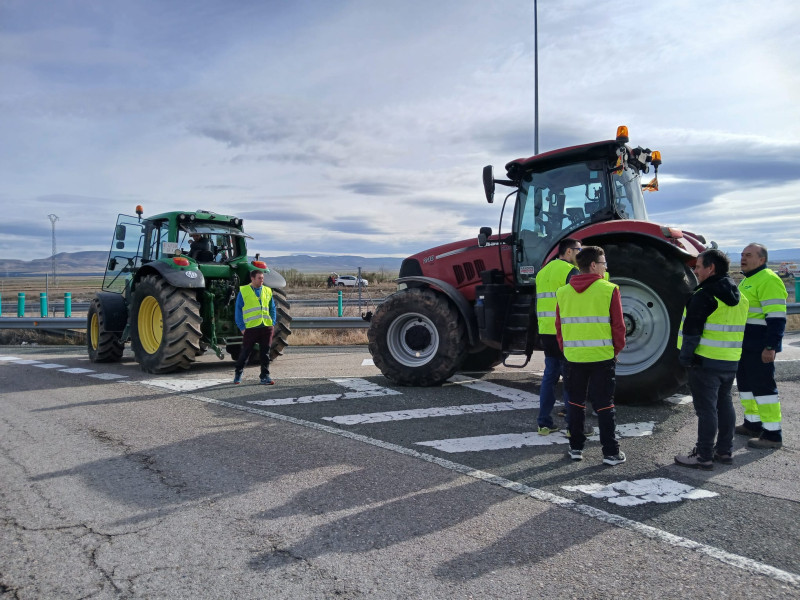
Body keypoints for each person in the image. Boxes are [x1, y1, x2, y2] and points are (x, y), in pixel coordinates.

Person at [674, 249, 748, 470]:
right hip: (730, 361)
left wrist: (685, 359)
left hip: (705, 362)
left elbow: (692, 332)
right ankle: (724, 451)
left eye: (698, 266)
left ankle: (703, 456)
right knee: (724, 405)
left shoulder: (704, 295)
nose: (695, 271)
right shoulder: (740, 297)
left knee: (706, 410)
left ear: (711, 268)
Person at [556, 246, 626, 465]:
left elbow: (559, 328)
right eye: (604, 263)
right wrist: (615, 352)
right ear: (594, 265)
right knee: (604, 405)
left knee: (575, 405)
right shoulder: (609, 289)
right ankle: (610, 453)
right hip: (602, 358)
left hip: (573, 358)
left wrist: (568, 350)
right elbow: (619, 328)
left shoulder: (563, 292)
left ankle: (575, 448)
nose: (606, 267)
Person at [735, 243, 787, 449]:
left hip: (760, 345)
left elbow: (776, 318)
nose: (743, 258)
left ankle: (773, 434)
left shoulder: (768, 279)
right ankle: (753, 424)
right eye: (742, 255)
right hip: (746, 345)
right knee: (746, 387)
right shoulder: (749, 280)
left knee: (764, 389)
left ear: (762, 259)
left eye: (748, 255)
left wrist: (771, 346)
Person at [534, 237, 581, 435]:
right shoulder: (570, 271)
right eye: (579, 250)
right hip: (564, 331)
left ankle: (544, 423)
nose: (581, 253)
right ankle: (573, 426)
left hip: (546, 330)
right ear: (568, 252)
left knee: (550, 376)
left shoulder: (542, 272)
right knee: (570, 378)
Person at [233, 269, 277, 385]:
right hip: (251, 328)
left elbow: (272, 308)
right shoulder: (244, 291)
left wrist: (272, 323)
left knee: (265, 353)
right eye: (259, 278)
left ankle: (265, 376)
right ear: (252, 278)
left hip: (266, 327)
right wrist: (242, 327)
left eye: (263, 278)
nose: (262, 280)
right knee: (245, 352)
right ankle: (238, 373)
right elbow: (238, 311)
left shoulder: (267, 290)